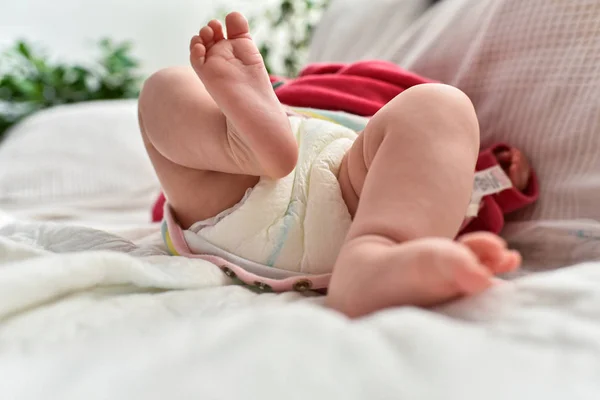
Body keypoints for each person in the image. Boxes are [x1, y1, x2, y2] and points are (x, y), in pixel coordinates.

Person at [137, 11, 521, 318]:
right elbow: (439, 181)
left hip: (264, 200)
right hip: (335, 190)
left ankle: (375, 256)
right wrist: (493, 177)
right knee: (443, 106)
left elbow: (431, 178)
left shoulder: (382, 122)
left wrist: (491, 172)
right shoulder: (279, 90)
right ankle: (375, 251)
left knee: (162, 90)